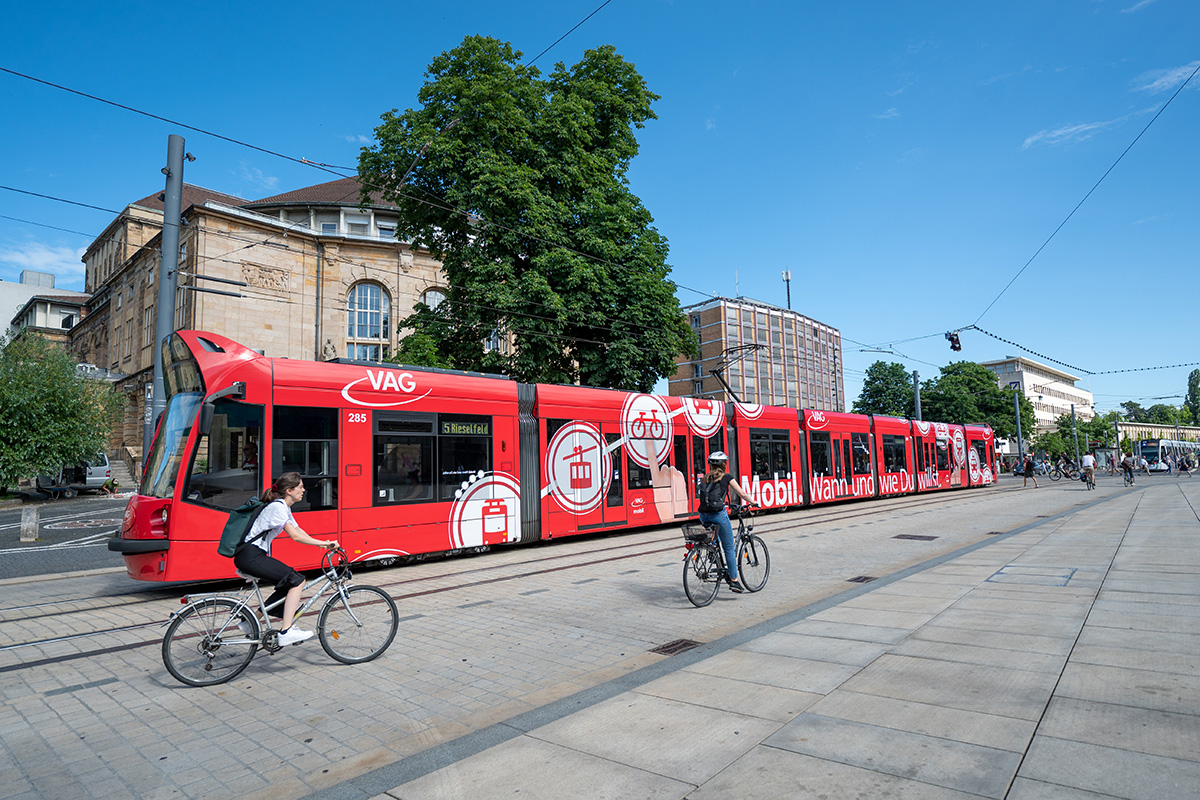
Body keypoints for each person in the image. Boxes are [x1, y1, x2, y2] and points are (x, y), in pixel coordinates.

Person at [233, 472, 336, 645]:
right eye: (301, 487)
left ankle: (249, 623)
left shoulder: (283, 507)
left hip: (250, 555)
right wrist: (323, 544)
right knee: (297, 580)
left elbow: (299, 530)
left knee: (287, 585)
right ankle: (286, 630)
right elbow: (295, 536)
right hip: (251, 556)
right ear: (289, 490)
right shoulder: (278, 508)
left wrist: (323, 544)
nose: (304, 490)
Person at [696, 452, 757, 593]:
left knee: (714, 540)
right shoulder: (727, 477)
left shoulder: (705, 478)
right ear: (724, 465)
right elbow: (742, 494)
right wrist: (753, 502)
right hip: (718, 515)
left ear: (710, 465)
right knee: (729, 548)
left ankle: (713, 552)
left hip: (703, 515)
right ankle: (734, 581)